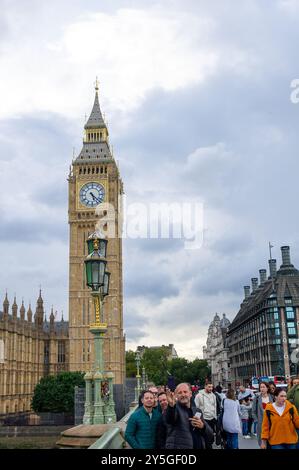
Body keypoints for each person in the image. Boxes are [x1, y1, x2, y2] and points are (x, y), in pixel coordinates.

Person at [165, 383, 214, 449]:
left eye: (185, 392)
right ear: (176, 395)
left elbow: (210, 435)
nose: (183, 395)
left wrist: (203, 427)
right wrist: (171, 406)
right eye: (180, 393)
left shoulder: (197, 411)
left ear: (190, 394)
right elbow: (170, 419)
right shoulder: (175, 409)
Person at [195, 381, 217, 446]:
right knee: (205, 438)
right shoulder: (199, 395)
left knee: (211, 438)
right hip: (204, 419)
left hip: (212, 418)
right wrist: (197, 419)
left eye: (212, 387)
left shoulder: (213, 395)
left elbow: (214, 406)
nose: (211, 388)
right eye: (209, 387)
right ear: (205, 386)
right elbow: (196, 408)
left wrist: (215, 417)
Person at [252, 381, 273, 447]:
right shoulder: (257, 398)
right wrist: (257, 421)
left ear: (267, 388)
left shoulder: (272, 397)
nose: (262, 389)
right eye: (261, 387)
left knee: (272, 442)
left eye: (264, 387)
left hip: (272, 423)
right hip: (261, 423)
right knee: (262, 443)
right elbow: (253, 412)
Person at [287, 376, 299, 448]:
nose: (296, 384)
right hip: (293, 419)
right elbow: (286, 398)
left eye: (298, 383)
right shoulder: (290, 391)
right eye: (295, 383)